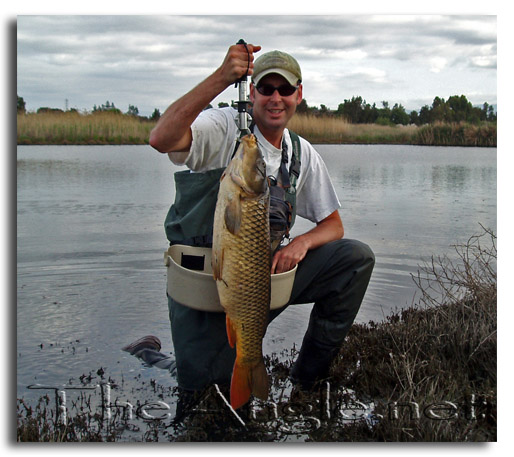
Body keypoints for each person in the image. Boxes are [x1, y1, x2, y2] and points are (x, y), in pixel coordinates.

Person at [149, 43, 375, 398]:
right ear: (252, 92)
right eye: (266, 88)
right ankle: (150, 354)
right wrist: (222, 77)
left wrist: (301, 243)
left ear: (298, 95)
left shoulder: (300, 153)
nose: (275, 98)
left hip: (258, 286)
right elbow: (161, 138)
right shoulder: (224, 126)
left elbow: (334, 226)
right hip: (203, 288)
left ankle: (307, 381)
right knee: (208, 400)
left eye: (285, 89)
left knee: (354, 260)